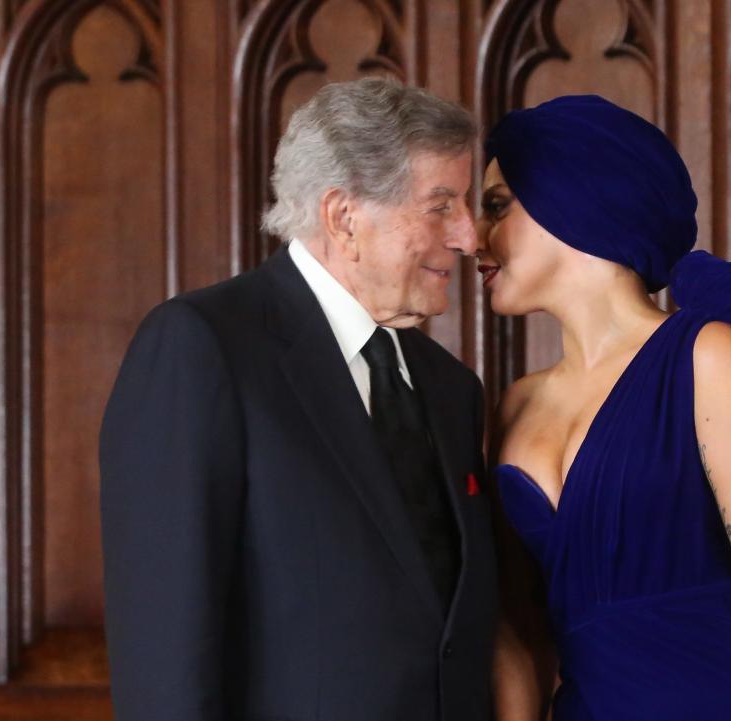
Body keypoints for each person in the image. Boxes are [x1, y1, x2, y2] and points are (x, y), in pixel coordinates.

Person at [99, 78, 497, 721]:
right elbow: (163, 641)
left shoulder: (453, 389)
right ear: (344, 217)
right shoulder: (204, 348)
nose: (468, 236)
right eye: (441, 205)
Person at [476, 95, 731, 721]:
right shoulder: (512, 407)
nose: (474, 237)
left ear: (571, 199)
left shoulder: (709, 361)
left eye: (497, 205)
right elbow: (519, 635)